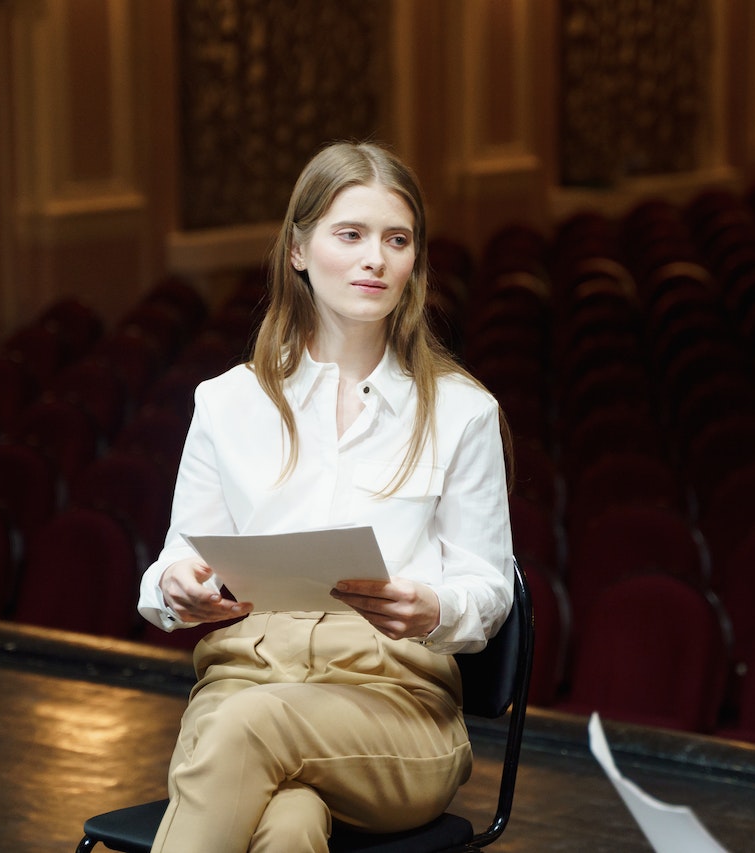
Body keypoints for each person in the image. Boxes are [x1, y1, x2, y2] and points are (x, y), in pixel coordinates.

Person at [136, 141, 514, 853]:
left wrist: (435, 606)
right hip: (246, 680)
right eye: (352, 234)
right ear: (298, 251)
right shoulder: (227, 403)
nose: (376, 258)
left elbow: (488, 588)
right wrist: (177, 587)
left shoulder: (463, 411)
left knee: (243, 729)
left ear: (414, 262)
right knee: (289, 823)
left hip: (395, 710)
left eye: (397, 240)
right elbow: (170, 568)